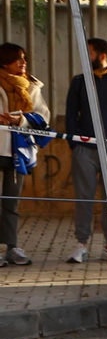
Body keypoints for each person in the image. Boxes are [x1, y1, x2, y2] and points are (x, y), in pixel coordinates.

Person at [60, 38, 107, 264]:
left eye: (90, 53)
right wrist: (74, 144)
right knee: (83, 197)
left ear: (102, 56)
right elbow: (70, 113)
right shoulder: (79, 81)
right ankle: (81, 243)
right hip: (84, 148)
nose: (86, 57)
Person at [0, 42, 49, 266]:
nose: (23, 62)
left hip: (19, 151)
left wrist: (21, 119)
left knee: (12, 202)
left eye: (24, 58)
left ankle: (12, 247)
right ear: (5, 61)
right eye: (17, 58)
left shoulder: (31, 86)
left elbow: (43, 117)